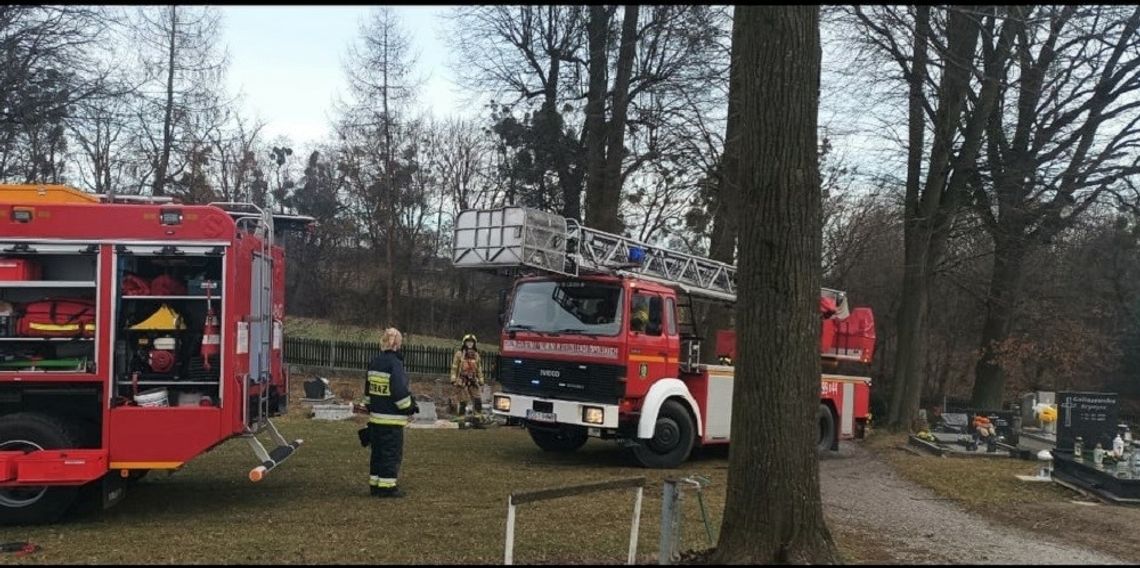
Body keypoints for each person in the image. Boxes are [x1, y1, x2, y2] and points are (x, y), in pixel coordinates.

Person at [356, 327, 417, 498]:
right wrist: (410, 406)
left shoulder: (375, 361)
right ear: (398, 344)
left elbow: (368, 390)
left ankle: (375, 485)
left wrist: (370, 406)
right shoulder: (395, 363)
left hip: (376, 419)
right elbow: (398, 390)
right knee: (390, 454)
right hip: (392, 420)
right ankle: (387, 487)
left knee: (377, 454)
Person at [450, 333, 484, 417]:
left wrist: (481, 379)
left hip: (473, 380)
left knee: (477, 399)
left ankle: (477, 418)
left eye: (471, 342)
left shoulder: (476, 355)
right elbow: (454, 367)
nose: (470, 344)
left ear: (474, 344)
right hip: (462, 380)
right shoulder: (459, 354)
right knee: (463, 400)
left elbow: (479, 368)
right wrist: (453, 378)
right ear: (464, 343)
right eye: (468, 342)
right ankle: (461, 419)